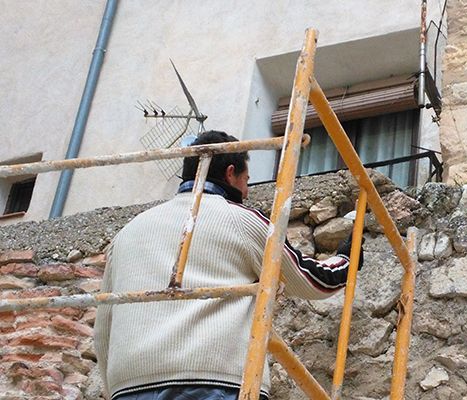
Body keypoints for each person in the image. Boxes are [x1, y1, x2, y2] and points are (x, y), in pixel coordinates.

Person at [94, 130, 361, 400]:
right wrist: (347, 258)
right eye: (246, 180)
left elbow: (104, 329)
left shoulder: (127, 233)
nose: (246, 192)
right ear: (230, 173)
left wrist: (115, 387)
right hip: (214, 381)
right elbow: (312, 281)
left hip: (129, 385)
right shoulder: (240, 220)